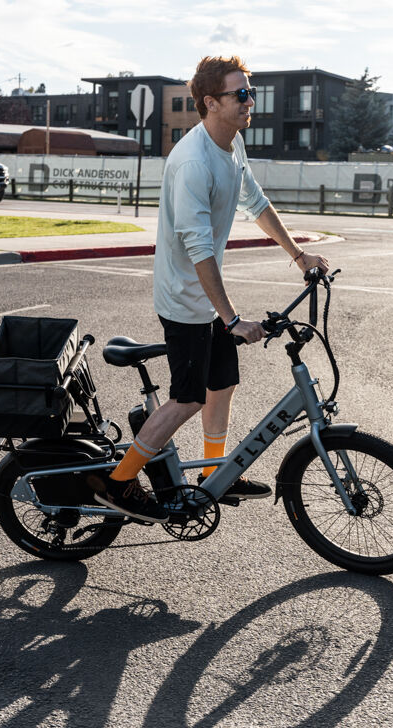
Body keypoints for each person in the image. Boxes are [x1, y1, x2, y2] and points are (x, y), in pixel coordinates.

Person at [94, 55, 330, 523]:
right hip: (184, 300)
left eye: (250, 92)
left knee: (223, 383)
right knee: (189, 397)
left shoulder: (232, 144)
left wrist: (298, 254)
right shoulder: (192, 163)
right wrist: (232, 320)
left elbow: (256, 202)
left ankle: (214, 474)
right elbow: (199, 249)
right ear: (210, 103)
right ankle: (117, 483)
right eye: (240, 94)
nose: (250, 101)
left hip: (209, 300)